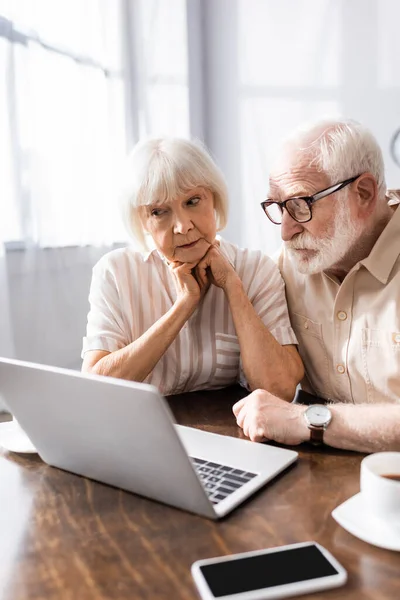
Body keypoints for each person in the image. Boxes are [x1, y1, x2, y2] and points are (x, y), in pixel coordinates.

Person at [81, 137, 303, 398]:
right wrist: (183, 306)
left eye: (192, 201)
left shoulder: (256, 269)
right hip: (140, 433)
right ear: (142, 221)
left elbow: (281, 389)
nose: (182, 226)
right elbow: (96, 389)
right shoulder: (116, 272)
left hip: (227, 432)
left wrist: (233, 288)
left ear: (214, 199)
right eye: (159, 212)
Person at [234, 118, 400, 452]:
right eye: (279, 207)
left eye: (300, 205)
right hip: (321, 478)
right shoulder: (286, 264)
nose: (286, 231)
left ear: (364, 193)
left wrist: (304, 420)